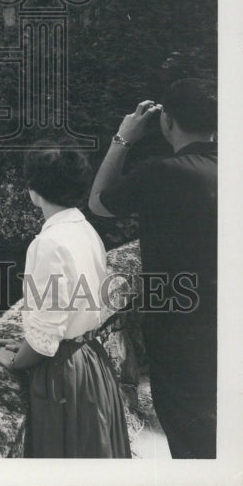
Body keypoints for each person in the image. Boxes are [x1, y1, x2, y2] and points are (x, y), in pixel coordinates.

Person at [89, 79, 217, 459]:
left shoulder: (162, 173)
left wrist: (123, 139)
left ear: (167, 121)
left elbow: (98, 203)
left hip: (180, 326)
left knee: (193, 434)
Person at [0, 147, 131, 458]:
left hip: (64, 374)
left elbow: (45, 338)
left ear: (34, 193)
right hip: (91, 362)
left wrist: (14, 361)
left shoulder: (48, 243)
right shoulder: (86, 230)